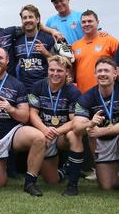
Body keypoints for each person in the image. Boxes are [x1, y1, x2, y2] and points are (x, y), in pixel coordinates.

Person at [0, 48, 46, 196]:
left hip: (11, 133)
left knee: (39, 138)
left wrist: (10, 109)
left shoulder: (17, 85)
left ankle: (30, 183)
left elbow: (24, 116)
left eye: (0, 58)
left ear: (7, 61)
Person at [72, 57, 119, 204]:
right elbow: (76, 128)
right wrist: (90, 123)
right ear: (95, 75)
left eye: (107, 71)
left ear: (115, 74)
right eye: (99, 71)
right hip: (102, 143)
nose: (103, 74)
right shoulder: (87, 97)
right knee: (107, 186)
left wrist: (101, 131)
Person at [27, 55, 83, 196]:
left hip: (61, 135)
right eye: (52, 70)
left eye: (59, 70)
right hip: (43, 132)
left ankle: (73, 185)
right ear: (47, 70)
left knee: (74, 135)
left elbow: (74, 120)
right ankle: (64, 169)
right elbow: (32, 113)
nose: (55, 74)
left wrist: (55, 132)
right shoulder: (37, 86)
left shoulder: (73, 91)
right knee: (52, 181)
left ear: (67, 73)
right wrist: (45, 130)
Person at [72, 10, 119, 93]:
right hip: (83, 93)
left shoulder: (110, 40)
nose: (86, 24)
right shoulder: (75, 46)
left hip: (106, 93)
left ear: (97, 22)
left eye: (90, 21)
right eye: (84, 22)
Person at [13, 4, 56, 91]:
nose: (27, 20)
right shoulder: (17, 40)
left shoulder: (48, 38)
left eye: (30, 17)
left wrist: (46, 53)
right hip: (23, 88)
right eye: (24, 18)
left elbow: (58, 64)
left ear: (37, 19)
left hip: (44, 88)